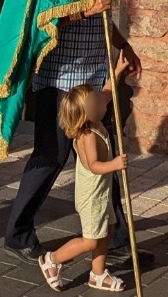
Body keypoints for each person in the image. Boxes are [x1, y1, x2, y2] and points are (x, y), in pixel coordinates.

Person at [4, 0, 145, 267]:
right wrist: (85, 9)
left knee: (108, 156)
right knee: (50, 158)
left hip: (96, 81)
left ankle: (113, 239)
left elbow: (102, 22)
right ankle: (17, 233)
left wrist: (123, 46)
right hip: (62, 83)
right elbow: (42, 21)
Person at [37, 81, 130, 293]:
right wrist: (114, 164)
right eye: (96, 99)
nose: (101, 98)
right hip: (91, 197)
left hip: (102, 193)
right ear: (89, 111)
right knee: (90, 241)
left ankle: (98, 274)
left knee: (107, 230)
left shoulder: (96, 123)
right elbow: (94, 166)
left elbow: (107, 94)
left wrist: (118, 71)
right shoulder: (87, 136)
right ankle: (51, 259)